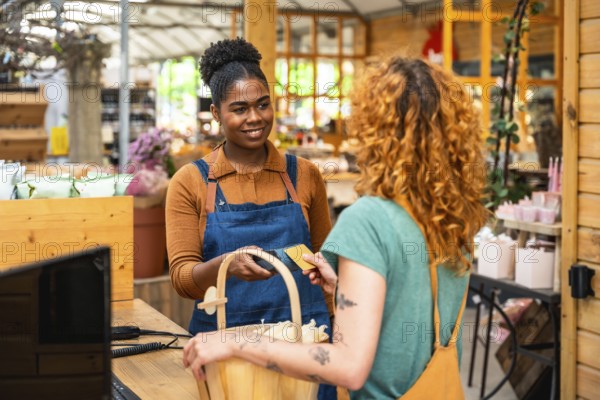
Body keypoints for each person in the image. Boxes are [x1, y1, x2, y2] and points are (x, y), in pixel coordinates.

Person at [182, 56, 489, 399]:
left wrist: (239, 340)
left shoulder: (369, 219)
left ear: (375, 129)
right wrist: (346, 286)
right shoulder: (451, 217)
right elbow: (411, 304)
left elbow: (348, 367)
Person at [165, 38, 336, 397]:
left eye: (262, 105)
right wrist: (225, 265)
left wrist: (338, 332)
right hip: (226, 348)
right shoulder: (191, 182)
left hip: (304, 343)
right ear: (215, 113)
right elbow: (183, 279)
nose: (255, 118)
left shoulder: (304, 175)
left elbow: (327, 262)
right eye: (239, 108)